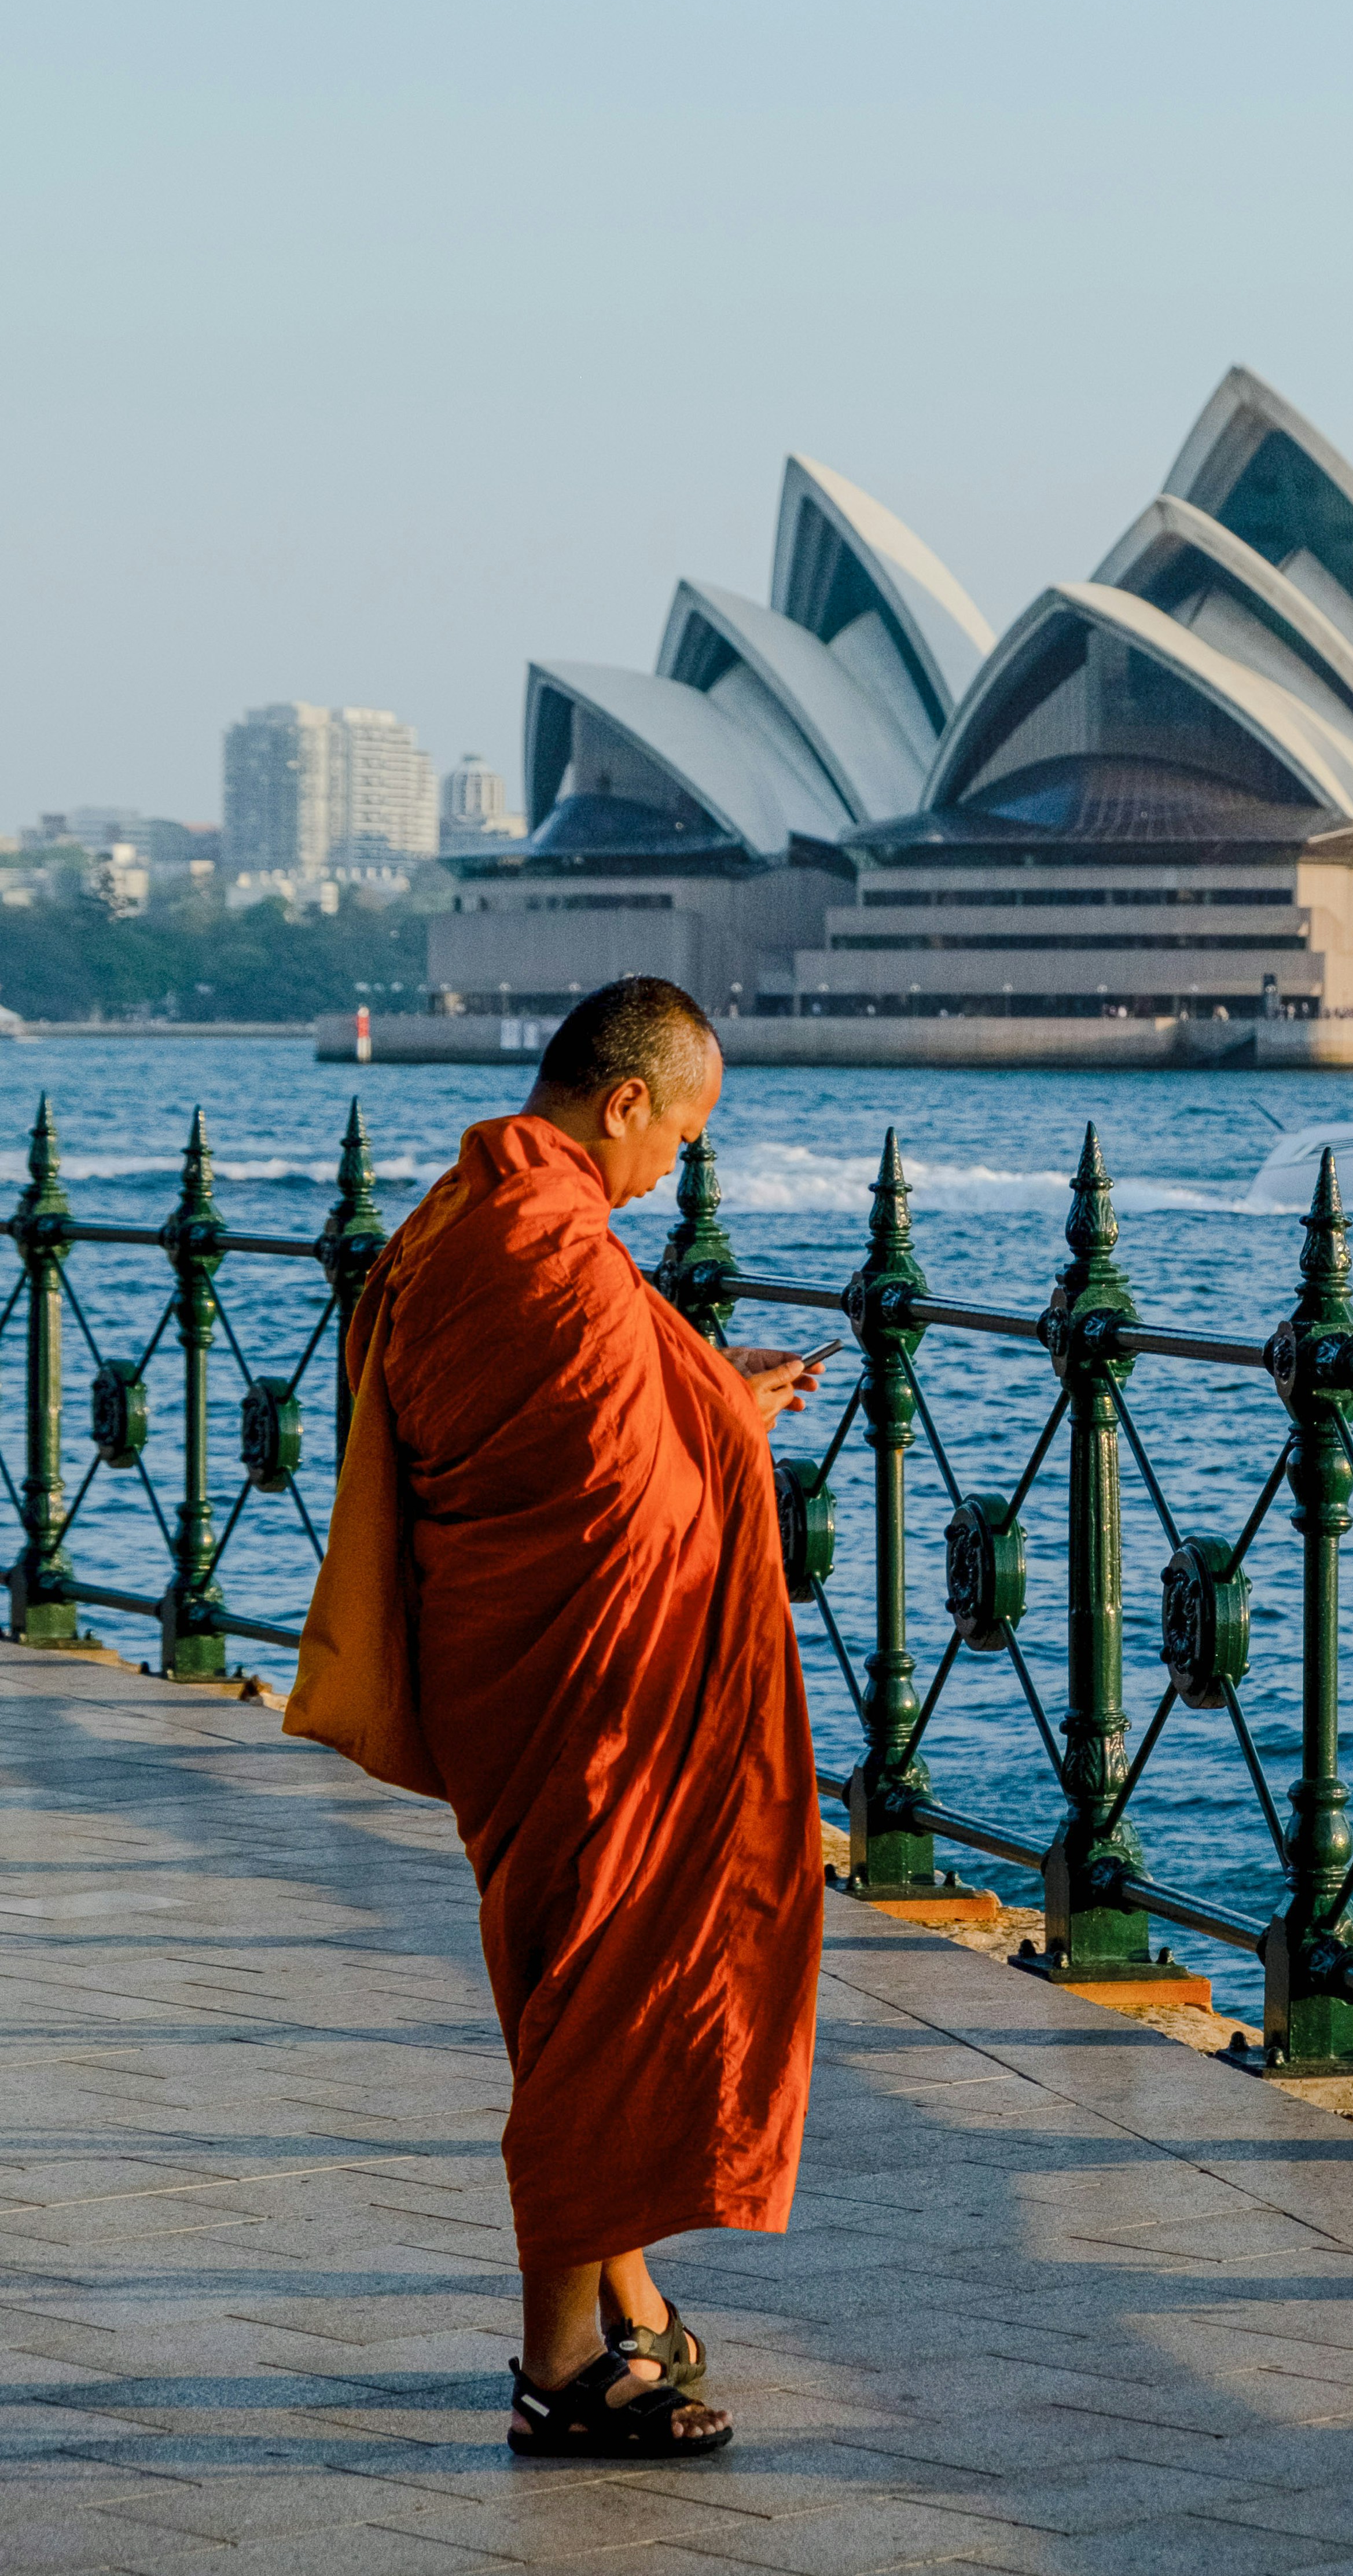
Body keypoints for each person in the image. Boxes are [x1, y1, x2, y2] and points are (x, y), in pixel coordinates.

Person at [285, 976, 822, 2460]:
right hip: (592, 1688)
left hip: (507, 1659)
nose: (679, 1171)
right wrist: (719, 1416)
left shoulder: (471, 1212)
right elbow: (606, 1475)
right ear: (625, 1099)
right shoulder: (553, 1244)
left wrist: (719, 1395)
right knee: (600, 1984)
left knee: (568, 1981)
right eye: (684, 1131)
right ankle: (554, 2364)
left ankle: (627, 2296)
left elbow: (601, 1412)